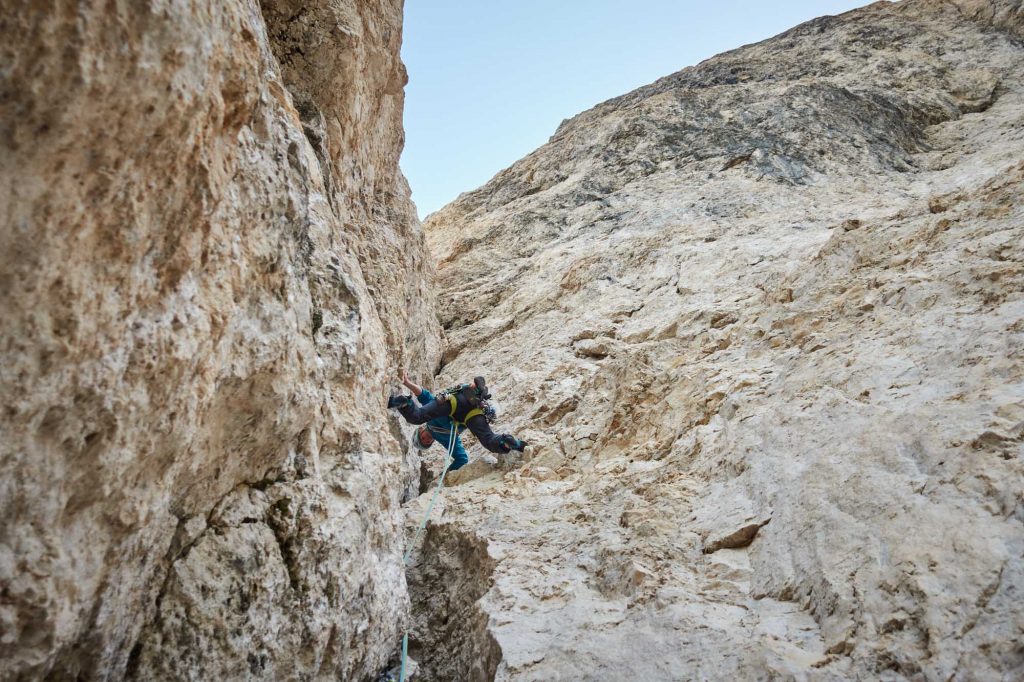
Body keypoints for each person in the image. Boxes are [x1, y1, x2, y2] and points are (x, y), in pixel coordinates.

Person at [388, 372, 526, 470]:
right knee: (488, 440)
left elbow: (423, 394)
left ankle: (404, 403)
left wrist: (407, 383)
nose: (427, 440)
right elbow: (462, 459)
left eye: (422, 439)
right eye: (427, 444)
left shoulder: (431, 423)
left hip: (452, 403)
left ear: (421, 431)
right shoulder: (448, 440)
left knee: (416, 417)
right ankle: (511, 443)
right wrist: (446, 473)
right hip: (470, 413)